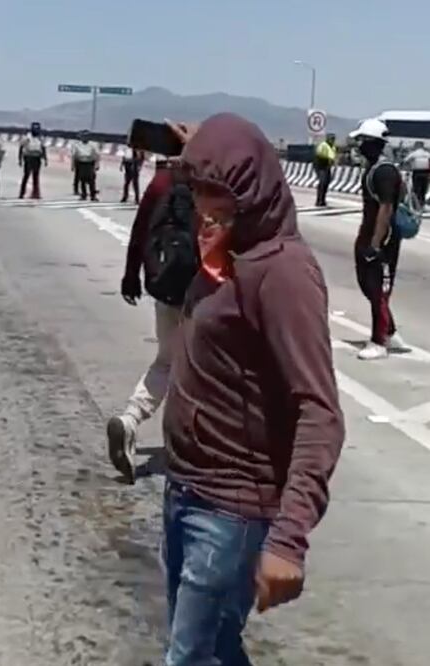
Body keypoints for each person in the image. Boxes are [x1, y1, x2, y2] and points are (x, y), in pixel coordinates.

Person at [161, 113, 345, 666]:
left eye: (218, 196)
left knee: (189, 657)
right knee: (213, 649)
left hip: (232, 509)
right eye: (197, 192)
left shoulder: (282, 271)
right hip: (188, 491)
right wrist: (206, 151)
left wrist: (288, 538)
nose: (204, 209)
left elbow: (319, 411)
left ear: (251, 193)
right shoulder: (233, 248)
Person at [108, 157, 196, 483]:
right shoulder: (210, 178)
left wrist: (132, 275)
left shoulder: (161, 182)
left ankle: (131, 419)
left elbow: (140, 230)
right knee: (202, 371)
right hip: (204, 292)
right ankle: (185, 443)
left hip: (167, 286)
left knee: (165, 363)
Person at [349, 118, 408, 361]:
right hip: (369, 236)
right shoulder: (374, 168)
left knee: (378, 290)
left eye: (362, 141)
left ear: (374, 143)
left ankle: (379, 341)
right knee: (368, 284)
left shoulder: (384, 171)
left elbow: (386, 208)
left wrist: (375, 244)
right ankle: (390, 330)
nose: (359, 145)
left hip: (382, 242)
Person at [19, 122, 47, 199]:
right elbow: (21, 147)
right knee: (26, 176)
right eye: (35, 128)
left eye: (37, 128)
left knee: (36, 176)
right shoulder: (27, 137)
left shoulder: (41, 138)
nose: (36, 130)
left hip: (37, 158)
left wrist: (45, 159)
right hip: (28, 157)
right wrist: (20, 159)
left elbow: (43, 148)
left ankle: (36, 194)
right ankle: (21, 193)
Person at [71, 130, 100, 202]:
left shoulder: (93, 145)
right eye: (83, 136)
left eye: (86, 136)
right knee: (82, 179)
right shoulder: (77, 145)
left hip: (90, 163)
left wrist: (97, 164)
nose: (85, 138)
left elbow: (97, 155)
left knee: (91, 180)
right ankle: (83, 195)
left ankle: (93, 196)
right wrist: (72, 165)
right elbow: (74, 156)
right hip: (81, 163)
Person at [404, 140, 430, 207]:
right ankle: (422, 203)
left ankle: (417, 204)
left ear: (417, 146)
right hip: (426, 173)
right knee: (424, 189)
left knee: (416, 188)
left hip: (417, 173)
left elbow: (405, 160)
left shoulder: (414, 154)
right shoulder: (427, 154)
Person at [313, 133, 337, 207]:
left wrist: (332, 162)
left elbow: (333, 156)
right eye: (331, 138)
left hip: (327, 165)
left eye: (333, 139)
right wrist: (328, 158)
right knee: (323, 182)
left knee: (326, 182)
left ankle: (323, 200)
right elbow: (319, 153)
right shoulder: (323, 145)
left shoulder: (333, 147)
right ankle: (319, 200)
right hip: (320, 165)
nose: (332, 140)